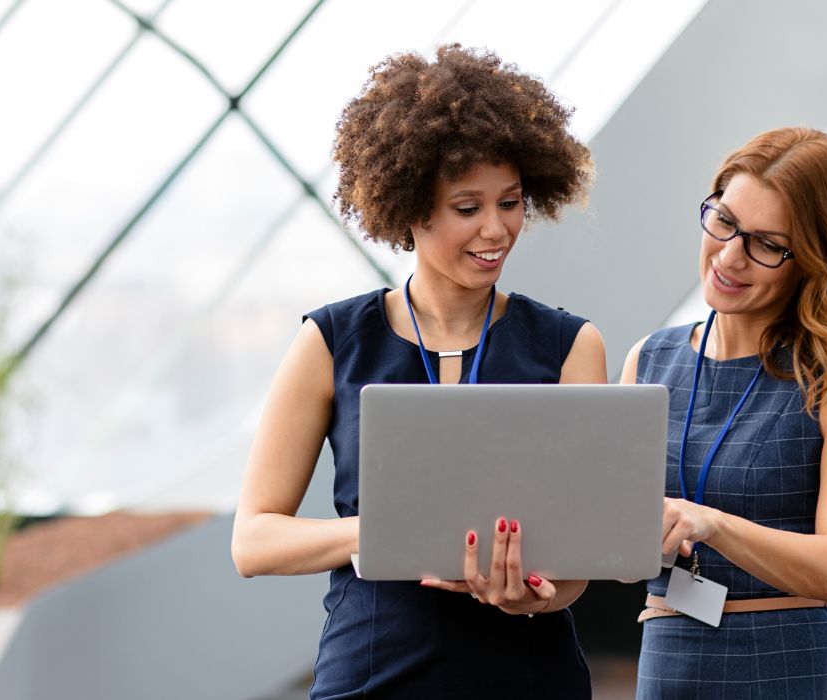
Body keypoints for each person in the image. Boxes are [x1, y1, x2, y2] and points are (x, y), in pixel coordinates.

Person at [231, 44, 605, 697]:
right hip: (374, 676)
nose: (497, 230)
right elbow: (254, 542)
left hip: (528, 676)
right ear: (409, 209)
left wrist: (533, 596)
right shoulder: (331, 342)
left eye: (511, 201)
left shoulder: (571, 346)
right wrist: (388, 532)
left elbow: (576, 571)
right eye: (468, 208)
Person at [622, 127, 827, 699]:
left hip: (789, 665)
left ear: (811, 259)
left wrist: (712, 525)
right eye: (724, 222)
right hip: (669, 655)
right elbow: (617, 545)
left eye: (767, 244)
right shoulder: (650, 359)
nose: (729, 256)